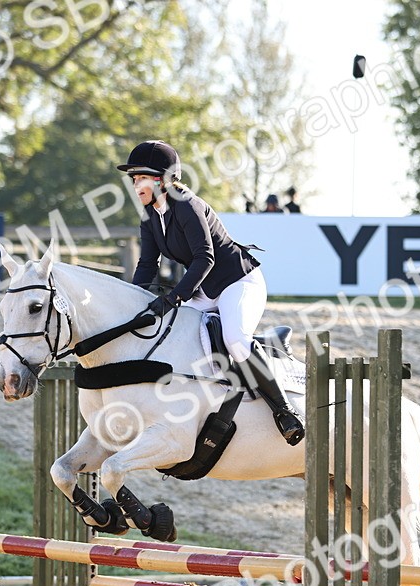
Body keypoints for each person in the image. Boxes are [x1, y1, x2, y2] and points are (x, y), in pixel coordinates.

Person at [119, 139, 304, 445]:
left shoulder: (187, 204)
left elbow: (206, 257)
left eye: (141, 178)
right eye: (134, 179)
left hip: (238, 282)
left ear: (163, 180)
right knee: (177, 337)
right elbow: (147, 264)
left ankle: (283, 410)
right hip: (203, 290)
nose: (136, 185)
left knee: (235, 338)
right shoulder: (150, 216)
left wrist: (176, 297)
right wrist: (130, 303)